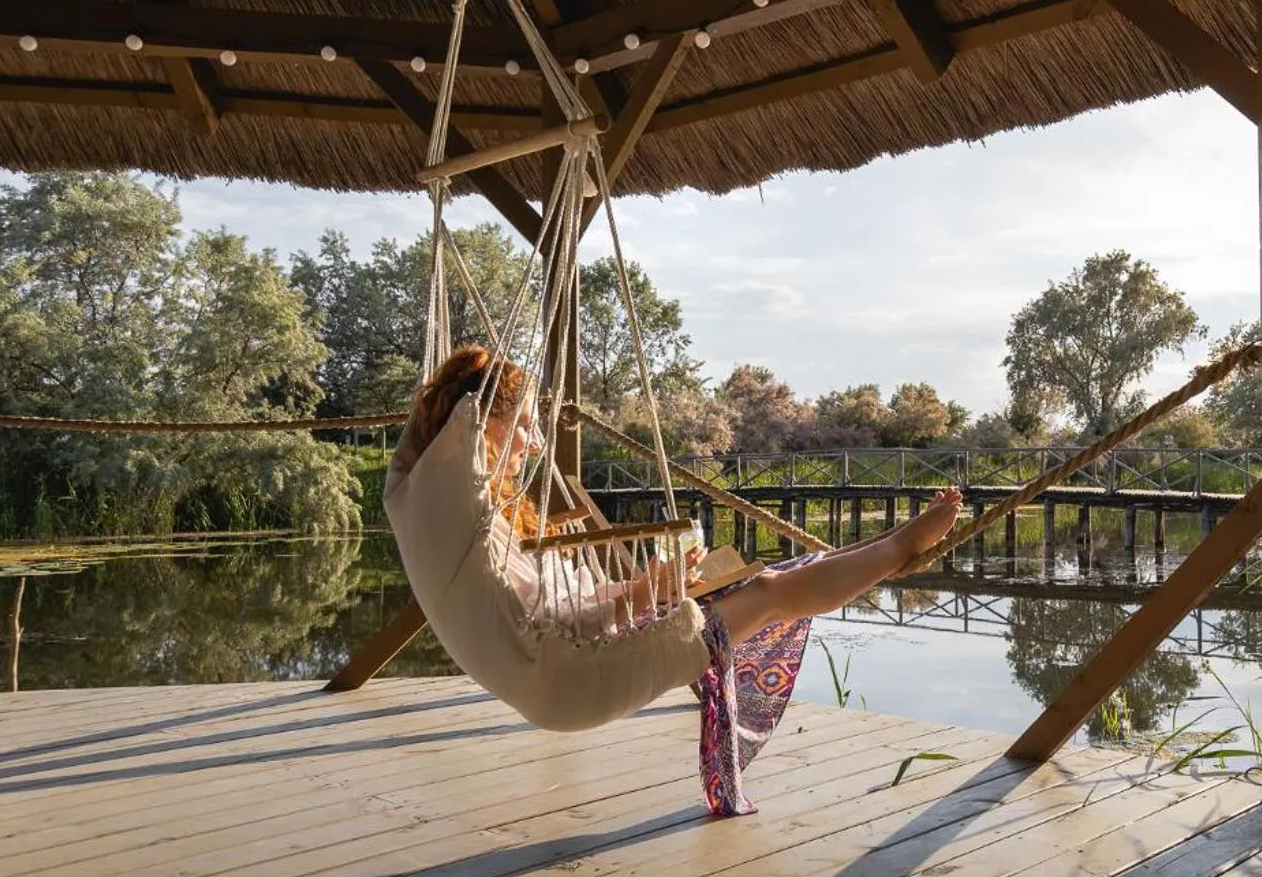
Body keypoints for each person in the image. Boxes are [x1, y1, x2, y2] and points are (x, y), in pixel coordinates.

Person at [397, 346, 964, 814]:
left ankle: (889, 546)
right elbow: (558, 624)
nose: (537, 444)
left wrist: (653, 587)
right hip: (563, 678)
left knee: (769, 579)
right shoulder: (461, 511)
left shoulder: (475, 525)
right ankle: (900, 548)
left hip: (559, 664)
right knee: (769, 596)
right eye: (523, 426)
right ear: (478, 424)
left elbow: (563, 614)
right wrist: (650, 592)